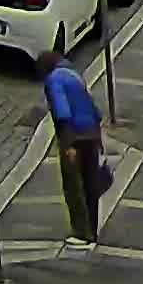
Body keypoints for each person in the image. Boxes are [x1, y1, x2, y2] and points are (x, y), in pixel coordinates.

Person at [45, 59, 107, 244]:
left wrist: (68, 144)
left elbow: (62, 111)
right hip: (90, 134)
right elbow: (94, 110)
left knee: (73, 185)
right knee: (91, 184)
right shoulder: (75, 77)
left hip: (74, 136)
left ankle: (81, 232)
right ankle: (92, 231)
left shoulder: (53, 80)